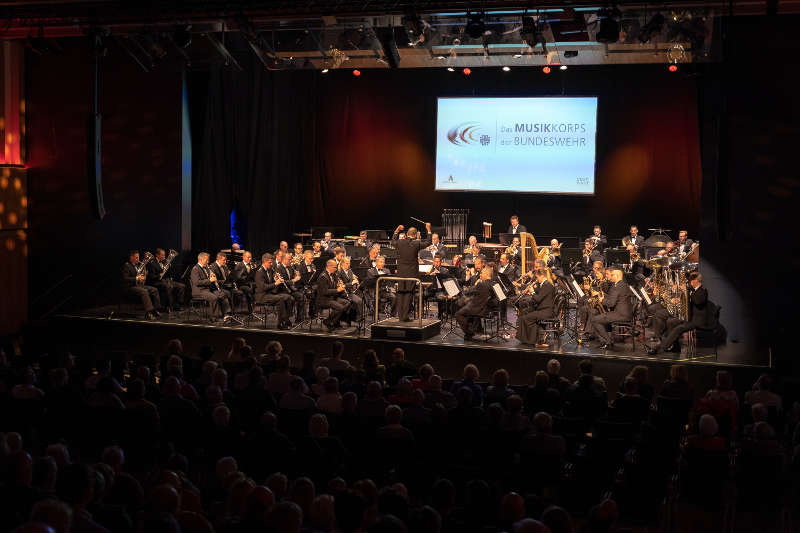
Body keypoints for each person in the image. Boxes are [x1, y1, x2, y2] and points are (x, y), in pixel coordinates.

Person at [648, 272, 710, 354]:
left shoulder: (702, 291)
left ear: (696, 281)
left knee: (678, 328)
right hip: (689, 318)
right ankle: (675, 346)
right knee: (670, 321)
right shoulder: (693, 290)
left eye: (691, 280)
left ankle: (659, 348)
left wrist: (687, 291)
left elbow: (698, 301)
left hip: (696, 321)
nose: (690, 282)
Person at [392, 221, 432, 322]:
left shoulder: (400, 242)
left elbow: (393, 241)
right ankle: (404, 316)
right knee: (408, 293)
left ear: (407, 234)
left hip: (401, 272)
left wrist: (397, 230)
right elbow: (428, 242)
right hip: (411, 273)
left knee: (400, 292)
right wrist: (428, 230)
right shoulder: (416, 243)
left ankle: (401, 316)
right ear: (415, 235)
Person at [591, 268, 633, 350]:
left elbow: (611, 304)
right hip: (624, 313)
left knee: (594, 320)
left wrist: (602, 300)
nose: (610, 277)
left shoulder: (617, 287)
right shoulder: (623, 285)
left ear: (617, 276)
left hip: (620, 315)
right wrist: (604, 296)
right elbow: (615, 298)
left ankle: (608, 341)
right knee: (598, 318)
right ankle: (605, 341)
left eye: (612, 275)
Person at [515, 269, 555, 348]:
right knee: (524, 315)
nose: (536, 279)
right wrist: (530, 292)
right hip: (543, 309)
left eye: (537, 277)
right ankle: (526, 339)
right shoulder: (544, 284)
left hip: (546, 311)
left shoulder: (547, 285)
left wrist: (532, 292)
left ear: (542, 276)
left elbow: (538, 299)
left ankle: (536, 340)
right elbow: (539, 295)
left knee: (527, 318)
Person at [254, 253, 293, 329]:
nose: (272, 264)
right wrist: (275, 283)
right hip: (262, 296)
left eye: (272, 262)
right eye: (270, 262)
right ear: (264, 261)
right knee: (280, 299)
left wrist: (275, 279)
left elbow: (270, 283)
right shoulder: (259, 272)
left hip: (269, 294)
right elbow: (263, 287)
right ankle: (281, 323)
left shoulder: (269, 270)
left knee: (288, 297)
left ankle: (286, 319)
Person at [455, 266, 494, 340]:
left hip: (478, 308)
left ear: (487, 274)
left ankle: (469, 332)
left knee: (458, 314)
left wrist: (476, 284)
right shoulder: (494, 283)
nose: (480, 275)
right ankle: (474, 329)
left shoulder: (481, 284)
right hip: (488, 308)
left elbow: (468, 292)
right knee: (465, 304)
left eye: (482, 273)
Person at [190, 252, 231, 321]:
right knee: (214, 298)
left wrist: (213, 276)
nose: (208, 261)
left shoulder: (206, 268)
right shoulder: (195, 269)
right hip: (199, 291)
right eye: (207, 260)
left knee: (222, 294)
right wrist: (210, 280)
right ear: (201, 260)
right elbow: (197, 282)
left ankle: (227, 314)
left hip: (207, 289)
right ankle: (214, 317)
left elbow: (212, 278)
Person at [122, 250, 161, 320]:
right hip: (130, 287)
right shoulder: (127, 265)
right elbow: (125, 278)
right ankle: (149, 312)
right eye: (136, 258)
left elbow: (141, 278)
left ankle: (155, 309)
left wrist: (144, 275)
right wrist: (137, 278)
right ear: (131, 257)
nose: (138, 259)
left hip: (138, 285)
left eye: (138, 257)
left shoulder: (137, 266)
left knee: (154, 290)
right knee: (144, 291)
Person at [315, 259, 351, 332]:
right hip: (323, 299)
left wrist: (338, 285)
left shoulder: (333, 274)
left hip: (331, 297)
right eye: (335, 267)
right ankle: (328, 322)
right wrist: (337, 290)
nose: (336, 269)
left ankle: (335, 322)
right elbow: (324, 291)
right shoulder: (323, 276)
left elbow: (333, 286)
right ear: (329, 267)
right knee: (340, 307)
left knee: (347, 303)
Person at [277, 251, 307, 323]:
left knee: (302, 297)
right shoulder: (279, 268)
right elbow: (282, 282)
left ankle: (299, 318)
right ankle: (286, 319)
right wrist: (294, 280)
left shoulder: (290, 267)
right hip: (282, 290)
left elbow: (293, 278)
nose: (291, 261)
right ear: (284, 259)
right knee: (290, 299)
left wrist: (297, 275)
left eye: (291, 259)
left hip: (290, 290)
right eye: (289, 259)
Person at [337, 257, 363, 324]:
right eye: (347, 263)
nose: (348, 265)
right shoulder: (339, 272)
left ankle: (354, 318)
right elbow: (342, 285)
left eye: (349, 263)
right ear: (342, 264)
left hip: (351, 291)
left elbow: (352, 281)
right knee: (359, 301)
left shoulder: (350, 271)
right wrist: (352, 283)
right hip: (343, 293)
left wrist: (355, 282)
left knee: (362, 296)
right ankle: (358, 319)